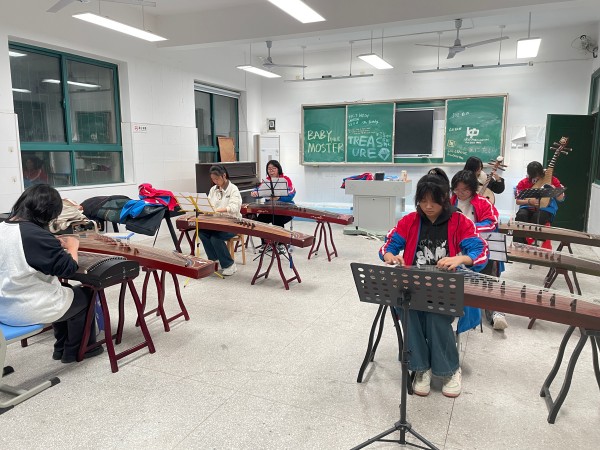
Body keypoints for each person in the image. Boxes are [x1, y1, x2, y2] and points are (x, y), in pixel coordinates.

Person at [379, 174, 488, 398]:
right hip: (413, 287)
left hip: (446, 289)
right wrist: (390, 255)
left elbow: (480, 250)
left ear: (445, 198)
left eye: (434, 201)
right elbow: (389, 245)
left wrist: (460, 258)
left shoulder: (460, 221)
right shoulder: (409, 221)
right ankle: (421, 368)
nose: (428, 206)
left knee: (436, 316)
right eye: (423, 201)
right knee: (409, 312)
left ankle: (449, 370)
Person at [0, 184, 102, 364]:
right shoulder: (35, 235)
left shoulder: (4, 227)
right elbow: (68, 268)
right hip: (24, 309)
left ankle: (60, 348)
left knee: (63, 288)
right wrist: (73, 245)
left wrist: (49, 242)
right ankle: (77, 351)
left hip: (5, 306)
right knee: (87, 294)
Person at [451, 170, 507, 331]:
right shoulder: (450, 202)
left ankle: (496, 313)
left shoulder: (483, 202)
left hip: (482, 247)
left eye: (464, 190)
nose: (460, 193)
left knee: (488, 278)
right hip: (458, 249)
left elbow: (491, 223)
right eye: (456, 189)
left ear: (473, 189)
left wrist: (468, 228)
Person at [198, 164, 242, 276]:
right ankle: (214, 260)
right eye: (213, 179)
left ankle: (229, 265)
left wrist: (216, 210)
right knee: (202, 233)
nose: (215, 181)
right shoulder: (213, 189)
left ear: (224, 175)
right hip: (216, 222)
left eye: (217, 179)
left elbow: (234, 208)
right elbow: (208, 204)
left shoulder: (233, 189)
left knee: (215, 238)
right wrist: (205, 210)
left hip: (233, 223)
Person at [513, 161, 565, 244]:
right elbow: (518, 201)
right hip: (527, 207)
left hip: (546, 209)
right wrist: (529, 201)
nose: (537, 178)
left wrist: (554, 190)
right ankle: (519, 243)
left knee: (539, 216)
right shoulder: (523, 182)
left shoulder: (552, 179)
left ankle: (536, 243)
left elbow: (561, 199)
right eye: (534, 176)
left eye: (539, 175)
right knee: (521, 215)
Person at [251, 160, 296, 227]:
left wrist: (279, 198)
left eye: (274, 168)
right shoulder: (267, 181)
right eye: (269, 169)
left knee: (277, 220)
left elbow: (292, 192)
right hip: (270, 208)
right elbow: (259, 190)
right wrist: (254, 192)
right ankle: (265, 234)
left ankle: (278, 234)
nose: (271, 171)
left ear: (279, 169)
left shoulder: (285, 179)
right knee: (260, 221)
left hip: (285, 207)